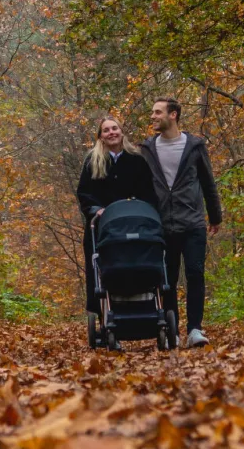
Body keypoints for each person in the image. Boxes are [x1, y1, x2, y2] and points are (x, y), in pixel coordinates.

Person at [140, 97, 222, 348]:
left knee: (196, 273)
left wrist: (215, 216)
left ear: (173, 115)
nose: (152, 117)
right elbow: (141, 186)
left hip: (193, 223)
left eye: (157, 112)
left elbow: (208, 183)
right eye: (152, 112)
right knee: (167, 278)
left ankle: (195, 329)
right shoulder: (147, 148)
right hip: (161, 224)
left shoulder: (195, 146)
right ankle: (172, 331)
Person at [75, 117, 159, 320]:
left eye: (115, 128)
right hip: (103, 227)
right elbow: (84, 193)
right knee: (100, 268)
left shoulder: (137, 160)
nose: (111, 132)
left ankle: (147, 307)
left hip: (135, 225)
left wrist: (140, 208)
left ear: (122, 132)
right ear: (100, 137)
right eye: (106, 130)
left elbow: (148, 191)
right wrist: (96, 210)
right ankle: (103, 314)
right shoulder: (92, 161)